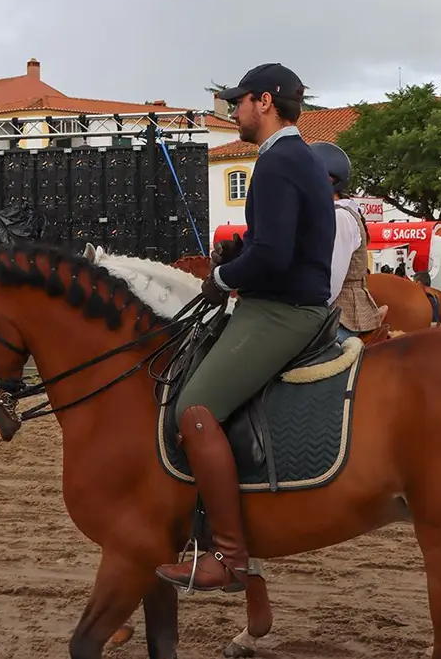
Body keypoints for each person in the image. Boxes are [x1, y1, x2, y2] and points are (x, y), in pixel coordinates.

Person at [154, 63, 336, 593]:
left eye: (237, 102)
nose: (231, 111)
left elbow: (276, 258)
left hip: (281, 309)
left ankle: (229, 557)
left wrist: (222, 276)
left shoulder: (278, 162)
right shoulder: (294, 157)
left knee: (195, 411)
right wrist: (242, 252)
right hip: (285, 300)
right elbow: (275, 244)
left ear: (264, 102)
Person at [308, 141, 384, 343]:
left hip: (343, 314)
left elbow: (331, 278)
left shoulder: (339, 217)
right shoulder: (331, 214)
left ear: (329, 179)